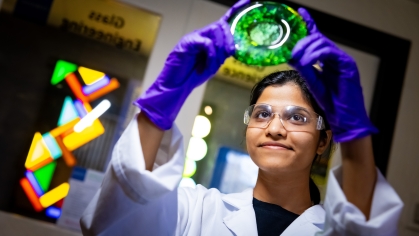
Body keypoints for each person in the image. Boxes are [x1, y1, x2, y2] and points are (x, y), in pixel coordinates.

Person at [80, 1, 403, 235]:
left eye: (297, 118)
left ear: (323, 140)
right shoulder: (194, 209)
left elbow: (365, 229)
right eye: (262, 114)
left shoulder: (333, 230)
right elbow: (109, 224)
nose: (275, 128)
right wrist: (161, 102)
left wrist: (355, 131)